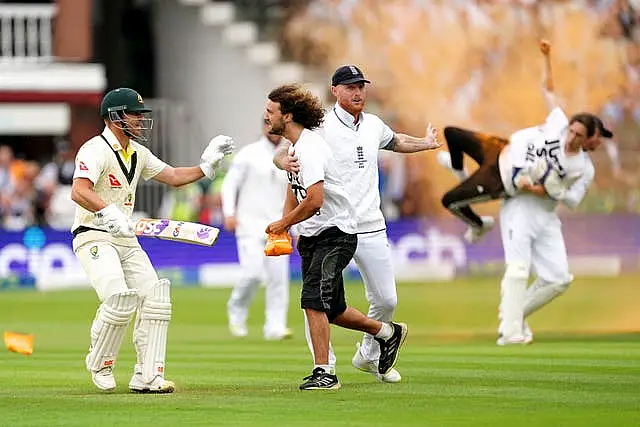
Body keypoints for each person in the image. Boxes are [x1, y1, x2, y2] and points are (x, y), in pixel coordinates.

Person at [437, 40, 613, 344]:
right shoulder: (558, 125)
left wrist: (542, 187)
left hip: (543, 213)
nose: (570, 137)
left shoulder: (582, 168)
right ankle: (510, 332)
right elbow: (548, 90)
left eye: (578, 136)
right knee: (517, 267)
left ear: (587, 142)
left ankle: (512, 313)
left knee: (558, 280)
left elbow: (570, 199)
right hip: (517, 200)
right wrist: (546, 57)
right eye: (571, 131)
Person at [273, 65, 439, 383]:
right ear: (335, 91)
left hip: (371, 223)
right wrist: (284, 161)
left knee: (387, 299)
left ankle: (368, 353)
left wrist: (426, 144)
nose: (357, 92)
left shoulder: (374, 124)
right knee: (317, 300)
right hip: (331, 225)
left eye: (361, 86)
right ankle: (325, 367)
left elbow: (396, 141)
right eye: (350, 87)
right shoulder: (319, 124)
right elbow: (283, 151)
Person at [71, 87, 234, 393]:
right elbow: (79, 190)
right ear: (116, 116)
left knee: (155, 298)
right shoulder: (95, 150)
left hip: (126, 237)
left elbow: (172, 176)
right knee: (118, 297)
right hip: (93, 234)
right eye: (135, 114)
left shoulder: (138, 153)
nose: (140, 120)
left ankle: (147, 376)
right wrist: (109, 212)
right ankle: (101, 361)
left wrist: (206, 166)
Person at [221, 122, 292, 340]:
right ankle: (237, 311)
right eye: (267, 124)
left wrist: (294, 224)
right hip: (249, 224)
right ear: (262, 126)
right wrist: (229, 213)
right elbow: (230, 184)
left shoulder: (291, 153)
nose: (271, 129)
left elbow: (296, 191)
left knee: (278, 279)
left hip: (278, 226)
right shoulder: (248, 153)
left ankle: (275, 326)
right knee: (252, 274)